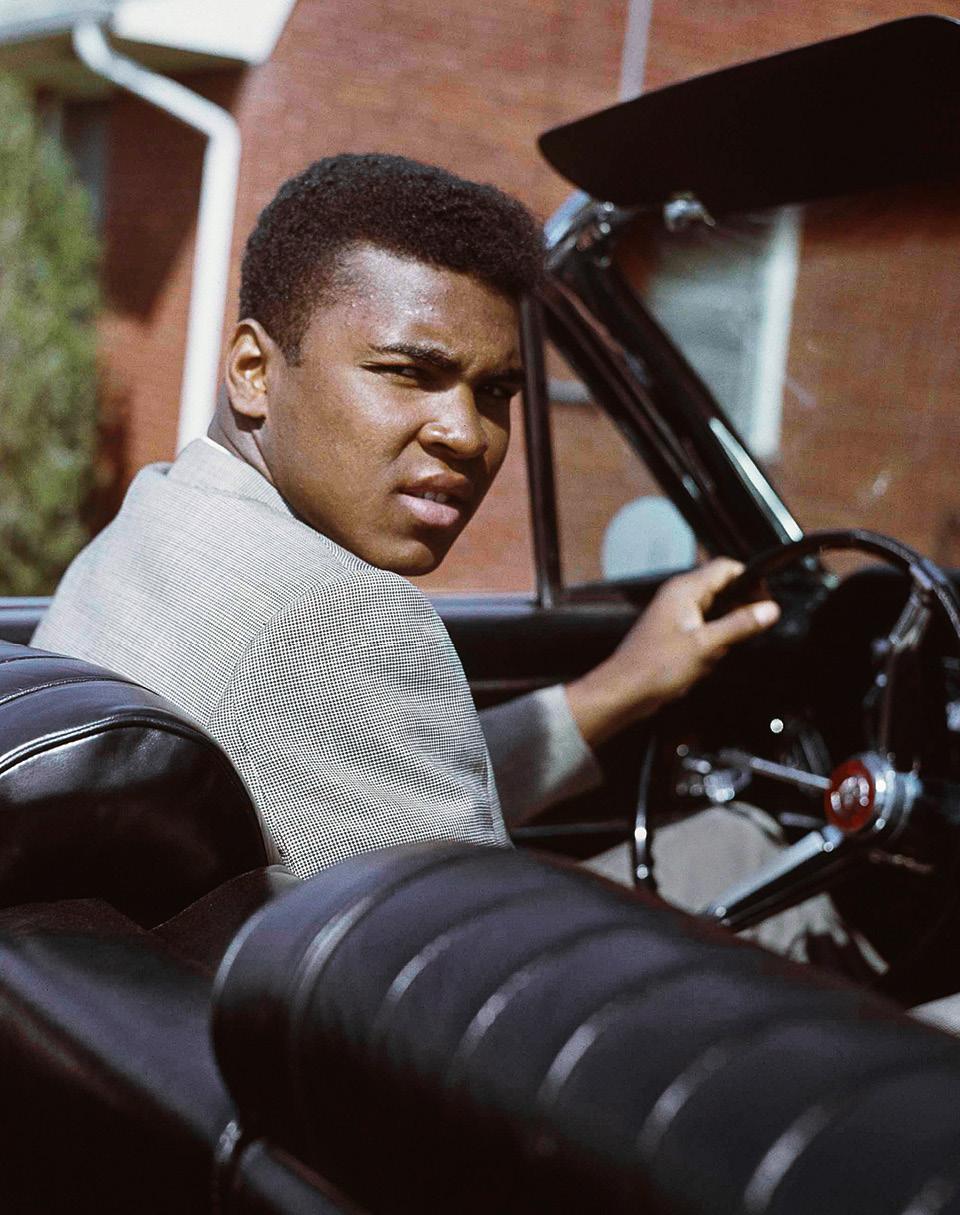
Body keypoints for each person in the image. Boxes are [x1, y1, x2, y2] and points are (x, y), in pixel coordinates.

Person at [34, 153, 779, 878]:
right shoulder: (339, 616)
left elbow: (388, 791)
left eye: (496, 392)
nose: (467, 434)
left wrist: (622, 686)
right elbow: (469, 946)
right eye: (409, 372)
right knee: (750, 857)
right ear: (253, 372)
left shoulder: (158, 517)